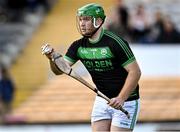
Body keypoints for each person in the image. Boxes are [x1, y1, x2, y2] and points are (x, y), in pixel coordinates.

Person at [42, 3, 141, 132]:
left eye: (87, 19)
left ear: (98, 21)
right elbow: (59, 70)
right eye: (81, 19)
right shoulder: (78, 46)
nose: (82, 23)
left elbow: (135, 72)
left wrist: (121, 98)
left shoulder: (115, 42)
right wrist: (52, 58)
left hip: (126, 101)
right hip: (102, 99)